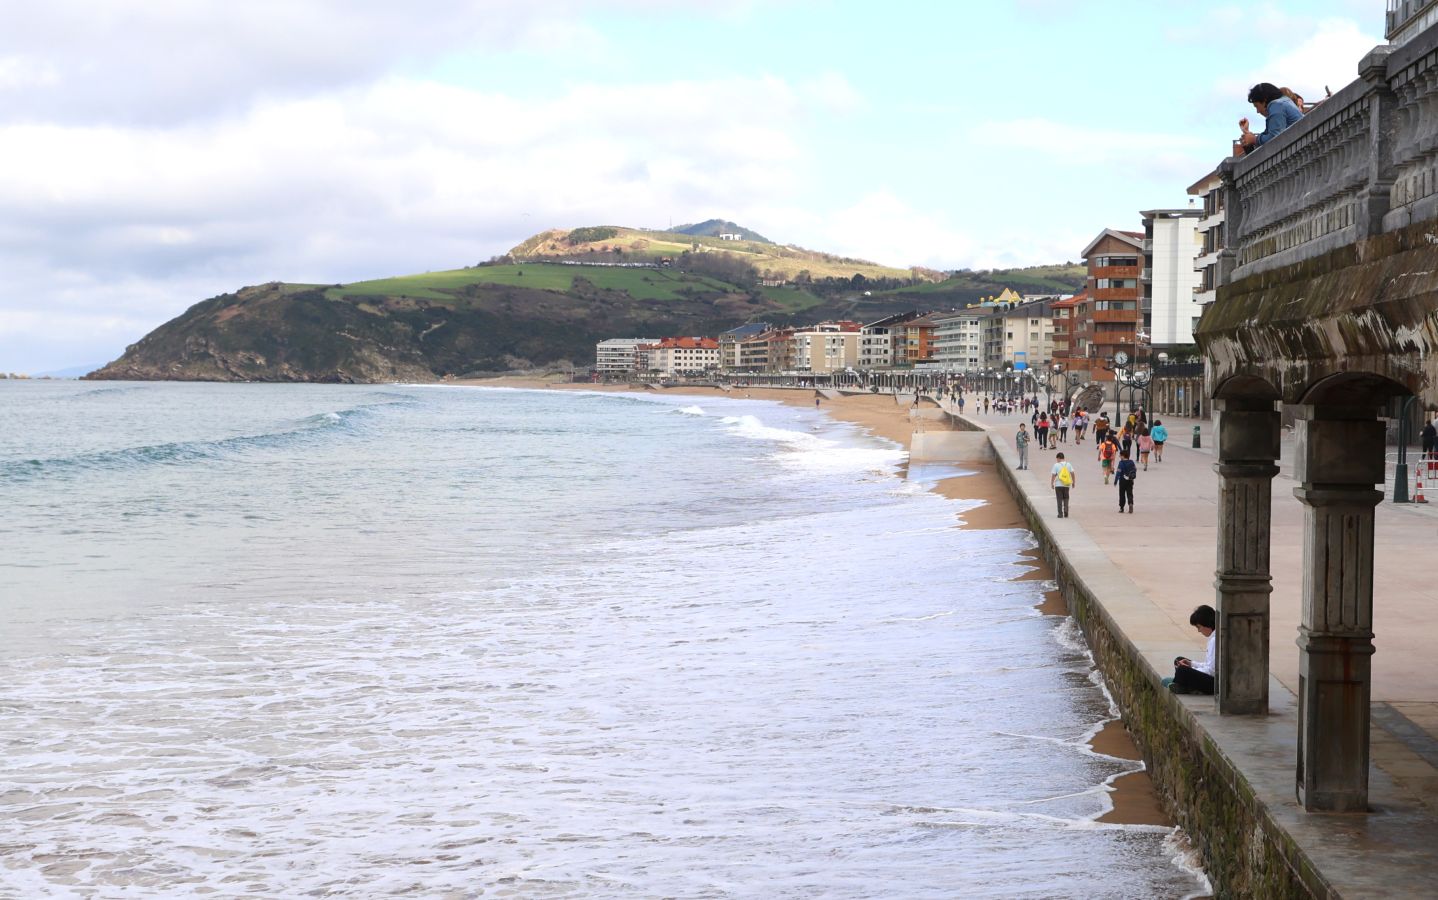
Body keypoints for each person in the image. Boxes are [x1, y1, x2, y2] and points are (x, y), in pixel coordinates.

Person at [1164, 605, 1217, 695]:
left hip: (1213, 684)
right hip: (1209, 677)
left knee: (1182, 670)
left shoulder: (1215, 641)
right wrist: (1191, 663)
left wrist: (1190, 669)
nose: (1199, 631)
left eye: (1199, 627)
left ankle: (1183, 685)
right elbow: (1209, 664)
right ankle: (1183, 684)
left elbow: (1212, 671)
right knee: (1179, 660)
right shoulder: (1213, 638)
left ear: (1207, 624)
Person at [1239, 82, 1303, 152]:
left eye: (1256, 106)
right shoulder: (1284, 102)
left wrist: (1254, 139)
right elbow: (1270, 134)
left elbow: (1275, 138)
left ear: (1264, 100)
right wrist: (1247, 133)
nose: (1258, 111)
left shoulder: (1277, 105)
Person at [1051, 451, 1075, 518]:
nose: (1057, 460)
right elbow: (1072, 473)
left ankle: (1060, 514)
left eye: (1057, 459)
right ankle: (1066, 512)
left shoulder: (1056, 465)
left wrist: (1052, 483)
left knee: (1059, 499)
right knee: (1066, 498)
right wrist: (1073, 482)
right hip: (1066, 484)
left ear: (1058, 458)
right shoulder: (1068, 464)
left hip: (1058, 485)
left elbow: (1053, 475)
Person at [1116, 448, 1137, 513]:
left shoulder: (1121, 463)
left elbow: (1118, 472)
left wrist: (1115, 480)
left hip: (1122, 481)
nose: (1119, 456)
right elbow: (1135, 469)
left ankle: (1121, 508)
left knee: (1122, 494)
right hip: (1130, 480)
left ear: (1123, 456)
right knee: (1129, 493)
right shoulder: (1131, 462)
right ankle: (1130, 503)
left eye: (1120, 455)